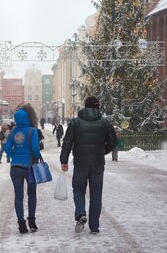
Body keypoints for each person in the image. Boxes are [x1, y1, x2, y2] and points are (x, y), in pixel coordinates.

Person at [60, 96, 117, 234]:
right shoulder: (105, 123)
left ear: (85, 106)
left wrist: (64, 160)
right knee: (96, 194)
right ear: (98, 107)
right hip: (97, 164)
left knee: (78, 189)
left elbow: (67, 142)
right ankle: (94, 226)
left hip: (80, 163)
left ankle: (80, 213)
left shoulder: (75, 123)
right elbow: (113, 142)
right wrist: (102, 151)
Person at [4, 103, 42, 234]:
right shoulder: (32, 131)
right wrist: (36, 157)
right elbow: (36, 150)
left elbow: (7, 148)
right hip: (30, 168)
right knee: (32, 195)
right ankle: (32, 221)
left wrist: (15, 156)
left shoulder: (14, 131)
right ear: (30, 117)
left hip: (15, 168)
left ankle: (21, 224)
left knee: (18, 196)